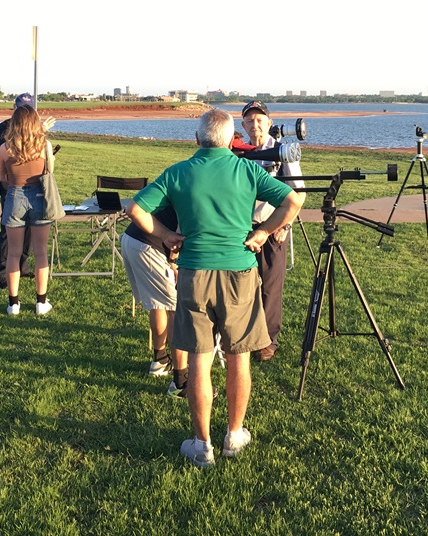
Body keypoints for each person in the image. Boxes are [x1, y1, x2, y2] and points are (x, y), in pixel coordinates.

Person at [125, 108, 305, 469]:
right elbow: (294, 200)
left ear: (196, 139)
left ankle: (201, 442)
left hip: (195, 273)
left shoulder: (178, 172)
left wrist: (166, 236)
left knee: (200, 359)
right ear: (229, 140)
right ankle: (234, 435)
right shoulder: (248, 169)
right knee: (239, 358)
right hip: (239, 272)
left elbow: (135, 208)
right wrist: (264, 231)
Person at [239, 100, 304, 362]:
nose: (255, 125)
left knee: (270, 286)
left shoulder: (282, 151)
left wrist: (284, 225)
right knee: (241, 284)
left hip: (272, 227)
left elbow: (298, 192)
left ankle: (268, 340)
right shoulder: (238, 152)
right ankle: (243, 333)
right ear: (243, 125)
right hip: (241, 228)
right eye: (249, 121)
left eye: (259, 120)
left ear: (268, 123)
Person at [120, 203, 189, 390]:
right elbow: (180, 229)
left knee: (159, 303)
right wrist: (173, 261)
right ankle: (180, 381)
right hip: (149, 246)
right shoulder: (198, 188)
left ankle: (160, 361)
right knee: (176, 309)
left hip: (131, 238)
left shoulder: (180, 178)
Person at [0, 104, 56, 315]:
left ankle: (13, 303)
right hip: (40, 196)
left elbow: (2, 177)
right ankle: (41, 301)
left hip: (15, 196)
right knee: (40, 252)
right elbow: (50, 170)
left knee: (13, 253)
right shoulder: (44, 146)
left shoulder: (4, 148)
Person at [0, 93, 39, 288]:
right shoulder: (5, 127)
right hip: (10, 186)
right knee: (8, 230)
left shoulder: (35, 131)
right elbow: (8, 150)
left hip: (31, 186)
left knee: (28, 229)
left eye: (29, 108)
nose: (25, 111)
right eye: (22, 107)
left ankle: (23, 266)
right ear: (15, 107)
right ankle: (2, 272)